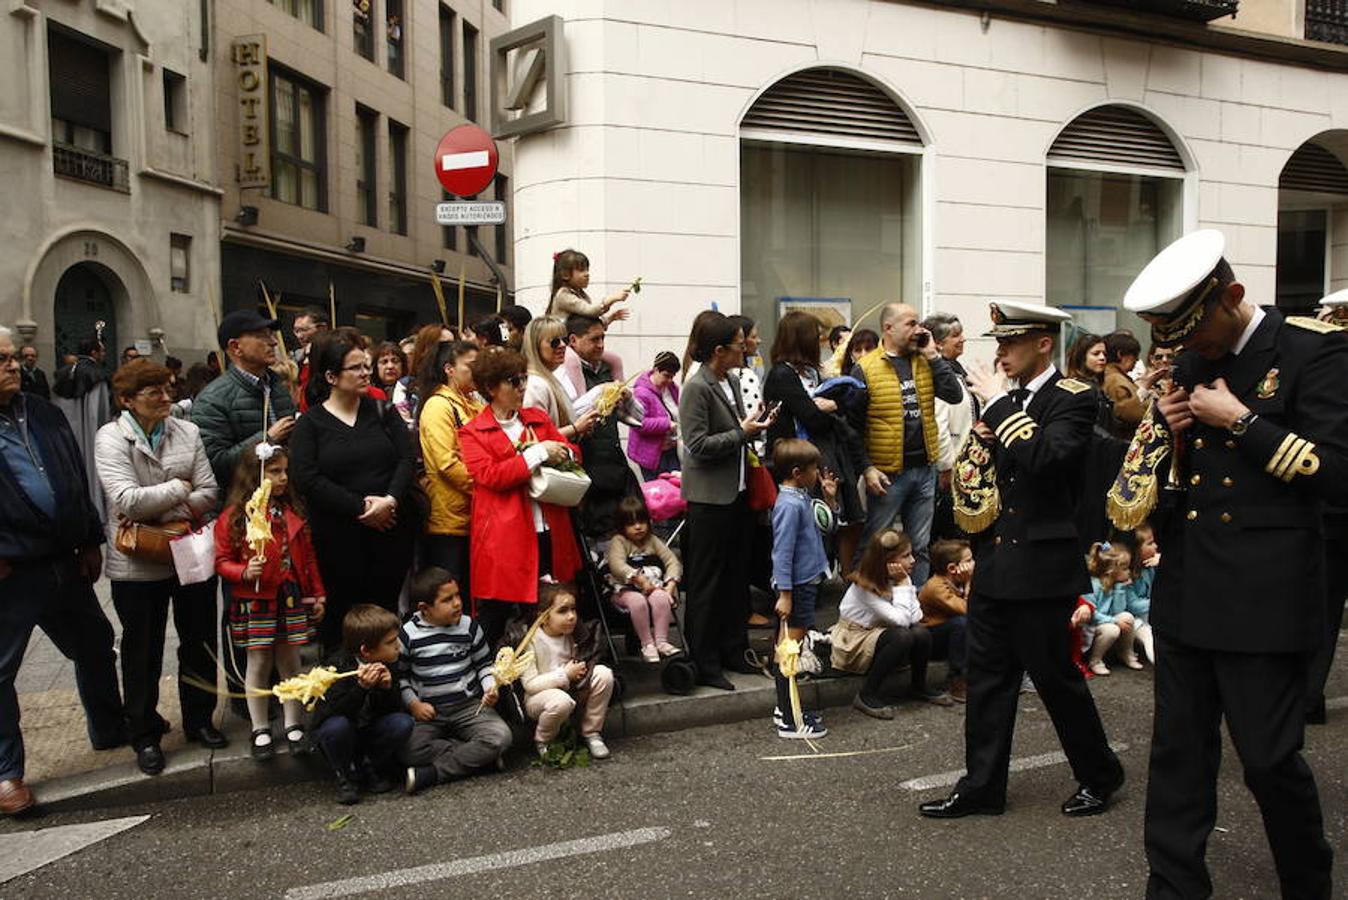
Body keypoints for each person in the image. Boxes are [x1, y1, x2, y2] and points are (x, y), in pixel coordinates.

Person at [1122, 230, 1341, 898]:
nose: (1189, 351)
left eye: (1198, 334)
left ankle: (1307, 884)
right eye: (1178, 340)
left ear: (1234, 297)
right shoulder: (1191, 361)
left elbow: (1337, 474)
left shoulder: (1315, 351)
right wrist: (1173, 437)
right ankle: (1175, 885)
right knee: (1178, 757)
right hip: (1191, 589)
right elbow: (1185, 489)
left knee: (1270, 762)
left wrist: (1243, 421)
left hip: (1265, 596)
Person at [919, 300, 1123, 821]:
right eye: (999, 343)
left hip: (1042, 566)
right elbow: (1001, 475)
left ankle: (1100, 774)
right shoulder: (1008, 401)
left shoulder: (1073, 399)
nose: (1001, 352)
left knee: (1056, 680)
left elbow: (1049, 459)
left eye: (1010, 343)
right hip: (995, 560)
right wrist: (986, 441)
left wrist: (998, 411)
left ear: (1043, 344)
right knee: (988, 681)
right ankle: (982, 786)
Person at [0, 326, 123, 815]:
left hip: (63, 560)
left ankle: (109, 728)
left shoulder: (43, 411)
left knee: (94, 644)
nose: (12, 365)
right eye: (2, 359)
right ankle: (7, 774)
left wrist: (91, 536)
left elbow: (74, 475)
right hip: (10, 571)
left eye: (13, 357)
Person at [95, 359, 224, 776]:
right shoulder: (111, 439)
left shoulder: (187, 430)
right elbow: (126, 500)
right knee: (141, 649)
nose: (166, 398)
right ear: (127, 400)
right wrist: (179, 489)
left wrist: (167, 507)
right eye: (154, 393)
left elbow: (209, 491)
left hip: (189, 550)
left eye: (168, 389)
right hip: (137, 561)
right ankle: (145, 733)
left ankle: (200, 719)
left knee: (199, 638)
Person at [289, 330, 417, 649]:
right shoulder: (311, 423)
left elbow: (406, 458)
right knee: (343, 614)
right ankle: (342, 684)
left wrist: (389, 500)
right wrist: (360, 507)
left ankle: (390, 684)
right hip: (338, 535)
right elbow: (306, 477)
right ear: (332, 376)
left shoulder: (382, 411)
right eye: (356, 368)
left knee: (384, 611)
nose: (365, 373)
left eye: (366, 366)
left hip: (391, 528)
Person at [678, 312, 777, 691]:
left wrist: (753, 424)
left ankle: (734, 649)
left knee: (736, 578)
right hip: (708, 499)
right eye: (739, 344)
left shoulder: (729, 380)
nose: (745, 349)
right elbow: (698, 446)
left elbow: (736, 431)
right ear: (719, 350)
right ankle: (704, 661)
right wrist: (742, 431)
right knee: (706, 582)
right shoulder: (696, 386)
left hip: (736, 493)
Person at [459, 348, 583, 644]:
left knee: (554, 605)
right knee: (497, 612)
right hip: (506, 537)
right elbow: (490, 476)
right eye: (513, 381)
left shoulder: (537, 419)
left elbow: (573, 453)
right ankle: (494, 679)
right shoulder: (473, 432)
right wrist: (539, 452)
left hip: (550, 527)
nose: (522, 387)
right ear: (491, 388)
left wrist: (562, 453)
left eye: (524, 379)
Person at [215, 444, 325, 760]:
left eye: (284, 471)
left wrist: (317, 593)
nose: (283, 478)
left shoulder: (292, 512)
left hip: (289, 595)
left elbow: (309, 558)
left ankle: (293, 724)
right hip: (256, 598)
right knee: (259, 662)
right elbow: (221, 560)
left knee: (290, 660)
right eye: (274, 472)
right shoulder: (235, 518)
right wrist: (244, 571)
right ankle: (260, 726)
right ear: (255, 476)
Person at [850, 303, 964, 587]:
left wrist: (935, 356)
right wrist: (867, 468)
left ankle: (916, 609)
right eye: (911, 324)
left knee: (920, 546)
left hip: (925, 469)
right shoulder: (865, 369)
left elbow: (953, 395)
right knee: (875, 544)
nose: (919, 330)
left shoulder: (925, 360)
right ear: (888, 328)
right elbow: (851, 428)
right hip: (888, 474)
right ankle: (862, 607)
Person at [763, 311, 866, 571]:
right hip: (796, 459)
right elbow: (813, 418)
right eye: (814, 335)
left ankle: (825, 574)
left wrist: (833, 405)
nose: (820, 340)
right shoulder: (782, 375)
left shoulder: (813, 371)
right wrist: (832, 409)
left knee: (831, 517)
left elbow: (851, 402)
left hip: (822, 456)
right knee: (803, 523)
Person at [400, 568, 512, 795]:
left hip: (469, 706)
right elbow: (402, 678)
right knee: (408, 751)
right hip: (430, 712)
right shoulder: (408, 635)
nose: (457, 603)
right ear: (424, 608)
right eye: (447, 599)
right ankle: (481, 758)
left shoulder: (469, 626)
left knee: (501, 737)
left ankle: (433, 774)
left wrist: (490, 686)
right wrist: (414, 705)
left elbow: (483, 665)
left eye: (458, 595)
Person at [831, 529, 952, 719]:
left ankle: (919, 686)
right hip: (854, 641)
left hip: (881, 633)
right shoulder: (864, 586)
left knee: (921, 633)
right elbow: (903, 621)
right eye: (905, 556)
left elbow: (917, 616)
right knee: (903, 636)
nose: (912, 560)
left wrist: (904, 585)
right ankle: (866, 695)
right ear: (887, 562)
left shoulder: (900, 577)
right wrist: (904, 585)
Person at [310, 604, 414, 805]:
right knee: (337, 726)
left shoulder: (387, 661)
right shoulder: (336, 667)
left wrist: (386, 689)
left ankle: (369, 764)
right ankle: (345, 773)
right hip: (342, 734)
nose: (398, 646)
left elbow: (391, 710)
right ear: (366, 651)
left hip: (367, 731)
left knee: (402, 723)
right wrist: (361, 688)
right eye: (391, 642)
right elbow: (332, 713)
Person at [770, 438, 838, 738]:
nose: (818, 473)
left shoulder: (799, 497)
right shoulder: (789, 505)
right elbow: (781, 553)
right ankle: (790, 719)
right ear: (798, 472)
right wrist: (785, 594)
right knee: (789, 651)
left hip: (803, 582)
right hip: (796, 587)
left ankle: (784, 708)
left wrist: (830, 499)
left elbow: (827, 526)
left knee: (787, 648)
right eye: (813, 469)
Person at [193, 309, 297, 494]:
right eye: (262, 336)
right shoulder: (212, 400)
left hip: (286, 499)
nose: (273, 342)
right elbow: (216, 465)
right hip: (243, 504)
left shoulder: (278, 388)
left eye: (271, 335)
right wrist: (267, 439)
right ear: (235, 347)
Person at [560, 313, 642, 537]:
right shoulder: (563, 373)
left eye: (602, 338)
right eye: (594, 339)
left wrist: (627, 397)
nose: (600, 345)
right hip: (586, 466)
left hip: (615, 463)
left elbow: (639, 418)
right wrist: (600, 392)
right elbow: (570, 415)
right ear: (573, 340)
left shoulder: (608, 367)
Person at [517, 581, 615, 760]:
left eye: (573, 609)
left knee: (604, 675)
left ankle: (591, 732)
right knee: (561, 701)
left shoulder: (575, 634)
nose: (571, 616)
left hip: (572, 690)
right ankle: (544, 741)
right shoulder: (530, 641)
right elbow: (530, 685)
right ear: (544, 617)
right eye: (562, 611)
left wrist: (578, 673)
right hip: (540, 698)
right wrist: (564, 675)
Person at [416, 340, 482, 587]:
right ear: (449, 369)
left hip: (473, 514)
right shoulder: (438, 405)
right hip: (449, 517)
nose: (478, 372)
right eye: (472, 366)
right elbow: (446, 464)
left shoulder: (473, 404)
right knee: (448, 589)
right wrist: (485, 488)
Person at [607, 496, 682, 662]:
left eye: (642, 522)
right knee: (637, 601)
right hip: (626, 590)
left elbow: (671, 561)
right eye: (631, 524)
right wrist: (637, 578)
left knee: (662, 597)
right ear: (622, 526)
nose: (638, 527)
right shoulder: (619, 542)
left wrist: (670, 584)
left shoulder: (653, 541)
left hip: (653, 587)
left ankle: (661, 641)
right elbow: (617, 564)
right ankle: (647, 643)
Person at [925, 313, 975, 542]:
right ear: (938, 343)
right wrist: (946, 466)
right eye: (956, 335)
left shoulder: (957, 370)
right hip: (948, 468)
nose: (963, 339)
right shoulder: (939, 374)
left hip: (963, 463)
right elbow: (938, 424)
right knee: (946, 532)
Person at [51, 335, 112, 518]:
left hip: (69, 433)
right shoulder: (96, 375)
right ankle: (95, 510)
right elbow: (100, 413)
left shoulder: (65, 373)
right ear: (93, 352)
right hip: (93, 434)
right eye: (102, 350)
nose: (104, 354)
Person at [522, 315, 600, 444]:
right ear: (536, 346)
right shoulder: (535, 385)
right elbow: (535, 439)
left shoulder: (550, 377)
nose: (563, 345)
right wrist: (576, 428)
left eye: (564, 339)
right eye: (554, 342)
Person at [919, 538, 972, 702]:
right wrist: (970, 582)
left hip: (951, 634)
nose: (973, 564)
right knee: (962, 623)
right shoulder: (936, 587)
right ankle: (957, 678)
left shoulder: (957, 580)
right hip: (932, 639)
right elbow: (967, 610)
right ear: (952, 568)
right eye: (969, 561)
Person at [1084, 541, 1139, 676]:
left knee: (1128, 617)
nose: (1129, 572)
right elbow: (1092, 613)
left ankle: (1126, 652)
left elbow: (1119, 610)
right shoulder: (1094, 586)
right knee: (1112, 630)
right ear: (1112, 571)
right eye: (1125, 568)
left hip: (1109, 620)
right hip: (1092, 626)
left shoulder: (1116, 585)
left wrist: (1120, 588)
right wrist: (1113, 620)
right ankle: (1095, 660)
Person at [627, 351, 681, 480]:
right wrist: (668, 424)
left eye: (672, 377)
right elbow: (639, 423)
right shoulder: (641, 393)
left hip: (671, 450)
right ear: (656, 370)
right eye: (666, 375)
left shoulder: (672, 388)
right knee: (658, 493)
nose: (669, 380)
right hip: (652, 455)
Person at [547, 248, 631, 328]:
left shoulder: (581, 294)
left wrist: (610, 318)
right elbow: (590, 311)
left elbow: (589, 323)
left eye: (587, 270)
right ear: (565, 274)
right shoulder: (563, 295)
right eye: (581, 270)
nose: (587, 274)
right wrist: (610, 300)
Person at [1102, 332, 1146, 440]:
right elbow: (1130, 414)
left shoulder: (1116, 377)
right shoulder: (1115, 380)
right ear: (1120, 354)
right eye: (1134, 355)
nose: (1136, 360)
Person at [372, 341, 409, 418]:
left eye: (395, 361)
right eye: (384, 362)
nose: (390, 366)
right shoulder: (370, 393)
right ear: (375, 367)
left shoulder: (412, 390)